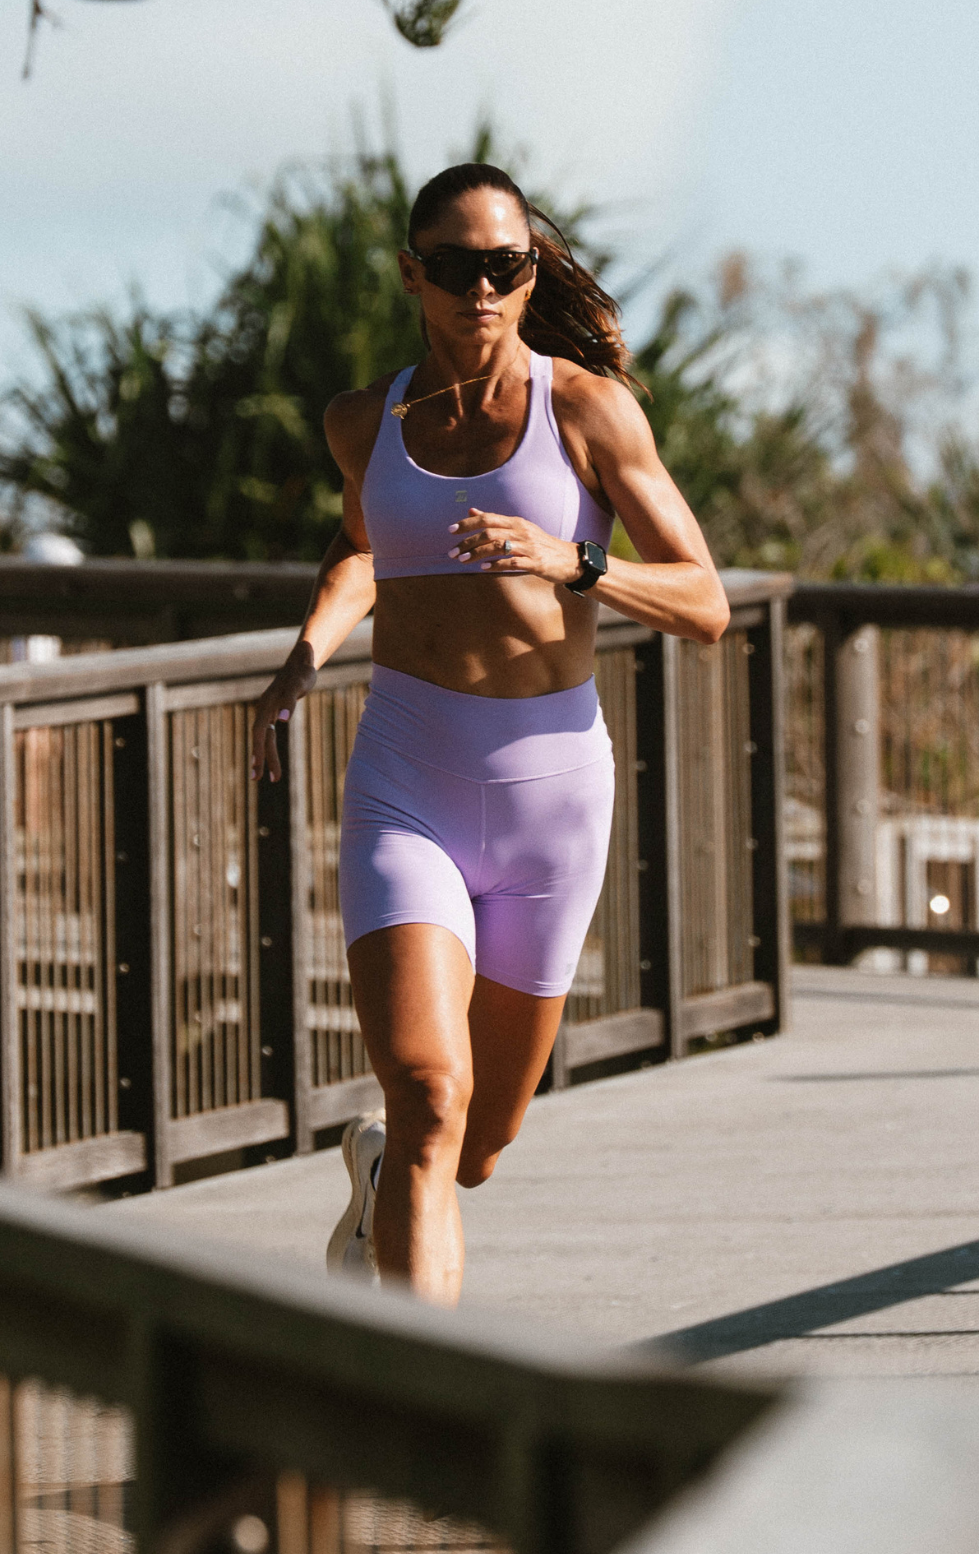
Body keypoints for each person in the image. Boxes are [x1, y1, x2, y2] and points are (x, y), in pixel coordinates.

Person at [250, 164, 729, 1305]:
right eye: (455, 266)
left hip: (550, 804)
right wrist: (305, 653)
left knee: (478, 1144)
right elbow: (364, 546)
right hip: (406, 783)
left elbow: (706, 599)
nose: (481, 288)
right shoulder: (364, 421)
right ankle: (415, 1387)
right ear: (411, 274)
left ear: (529, 275)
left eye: (505, 266)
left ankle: (381, 1183)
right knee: (428, 1094)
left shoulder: (586, 411)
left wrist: (577, 560)